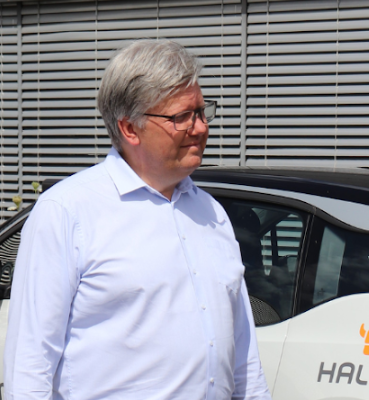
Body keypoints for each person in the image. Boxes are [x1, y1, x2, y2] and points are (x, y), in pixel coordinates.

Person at [4, 40, 272, 399]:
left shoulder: (211, 214)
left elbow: (244, 357)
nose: (200, 128)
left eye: (201, 111)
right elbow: (29, 365)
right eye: (182, 117)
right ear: (130, 128)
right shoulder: (67, 211)